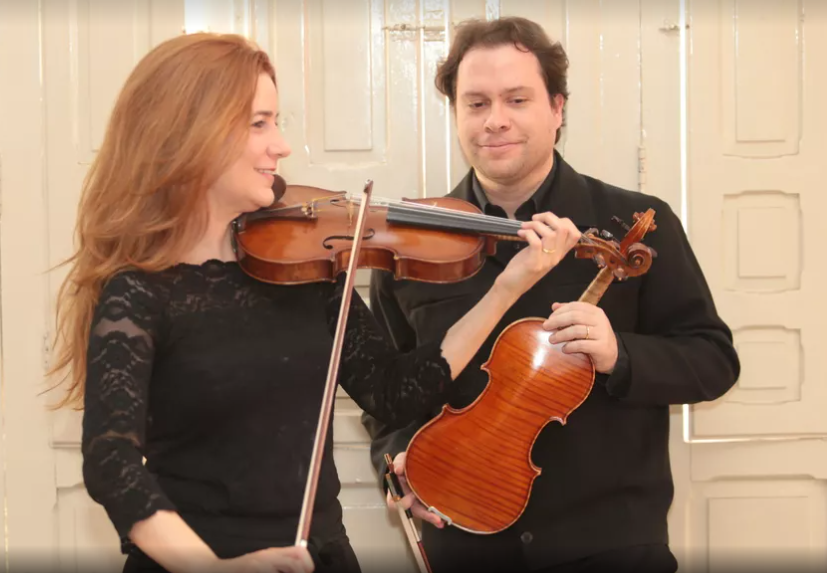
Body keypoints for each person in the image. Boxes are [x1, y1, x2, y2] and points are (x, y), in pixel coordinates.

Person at [46, 32, 583, 573]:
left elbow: (392, 393)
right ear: (191, 131)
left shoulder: (304, 268)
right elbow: (112, 461)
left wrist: (506, 287)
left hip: (318, 556)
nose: (280, 146)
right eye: (259, 123)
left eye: (276, 122)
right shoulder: (139, 292)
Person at [360, 16, 741, 573]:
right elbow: (383, 392)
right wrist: (398, 460)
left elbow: (713, 360)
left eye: (517, 99)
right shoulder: (412, 245)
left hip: (610, 545)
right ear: (456, 113)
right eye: (476, 103)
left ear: (557, 109)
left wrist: (620, 354)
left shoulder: (636, 224)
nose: (495, 121)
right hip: (466, 542)